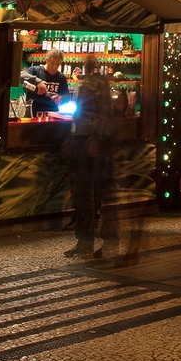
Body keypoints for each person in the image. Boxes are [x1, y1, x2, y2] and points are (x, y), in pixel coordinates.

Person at [64, 52, 115, 258]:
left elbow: (81, 115)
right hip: (98, 144)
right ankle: (100, 242)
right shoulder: (104, 87)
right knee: (95, 193)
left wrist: (74, 135)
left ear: (87, 68)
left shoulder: (86, 88)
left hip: (84, 142)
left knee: (84, 193)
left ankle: (85, 241)